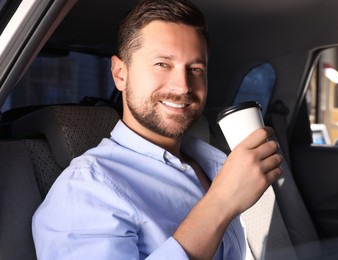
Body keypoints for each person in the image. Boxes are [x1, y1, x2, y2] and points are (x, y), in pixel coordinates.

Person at [32, 0, 282, 259]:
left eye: (195, 69)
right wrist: (221, 203)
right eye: (163, 64)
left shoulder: (213, 162)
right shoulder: (85, 190)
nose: (183, 86)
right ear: (120, 74)